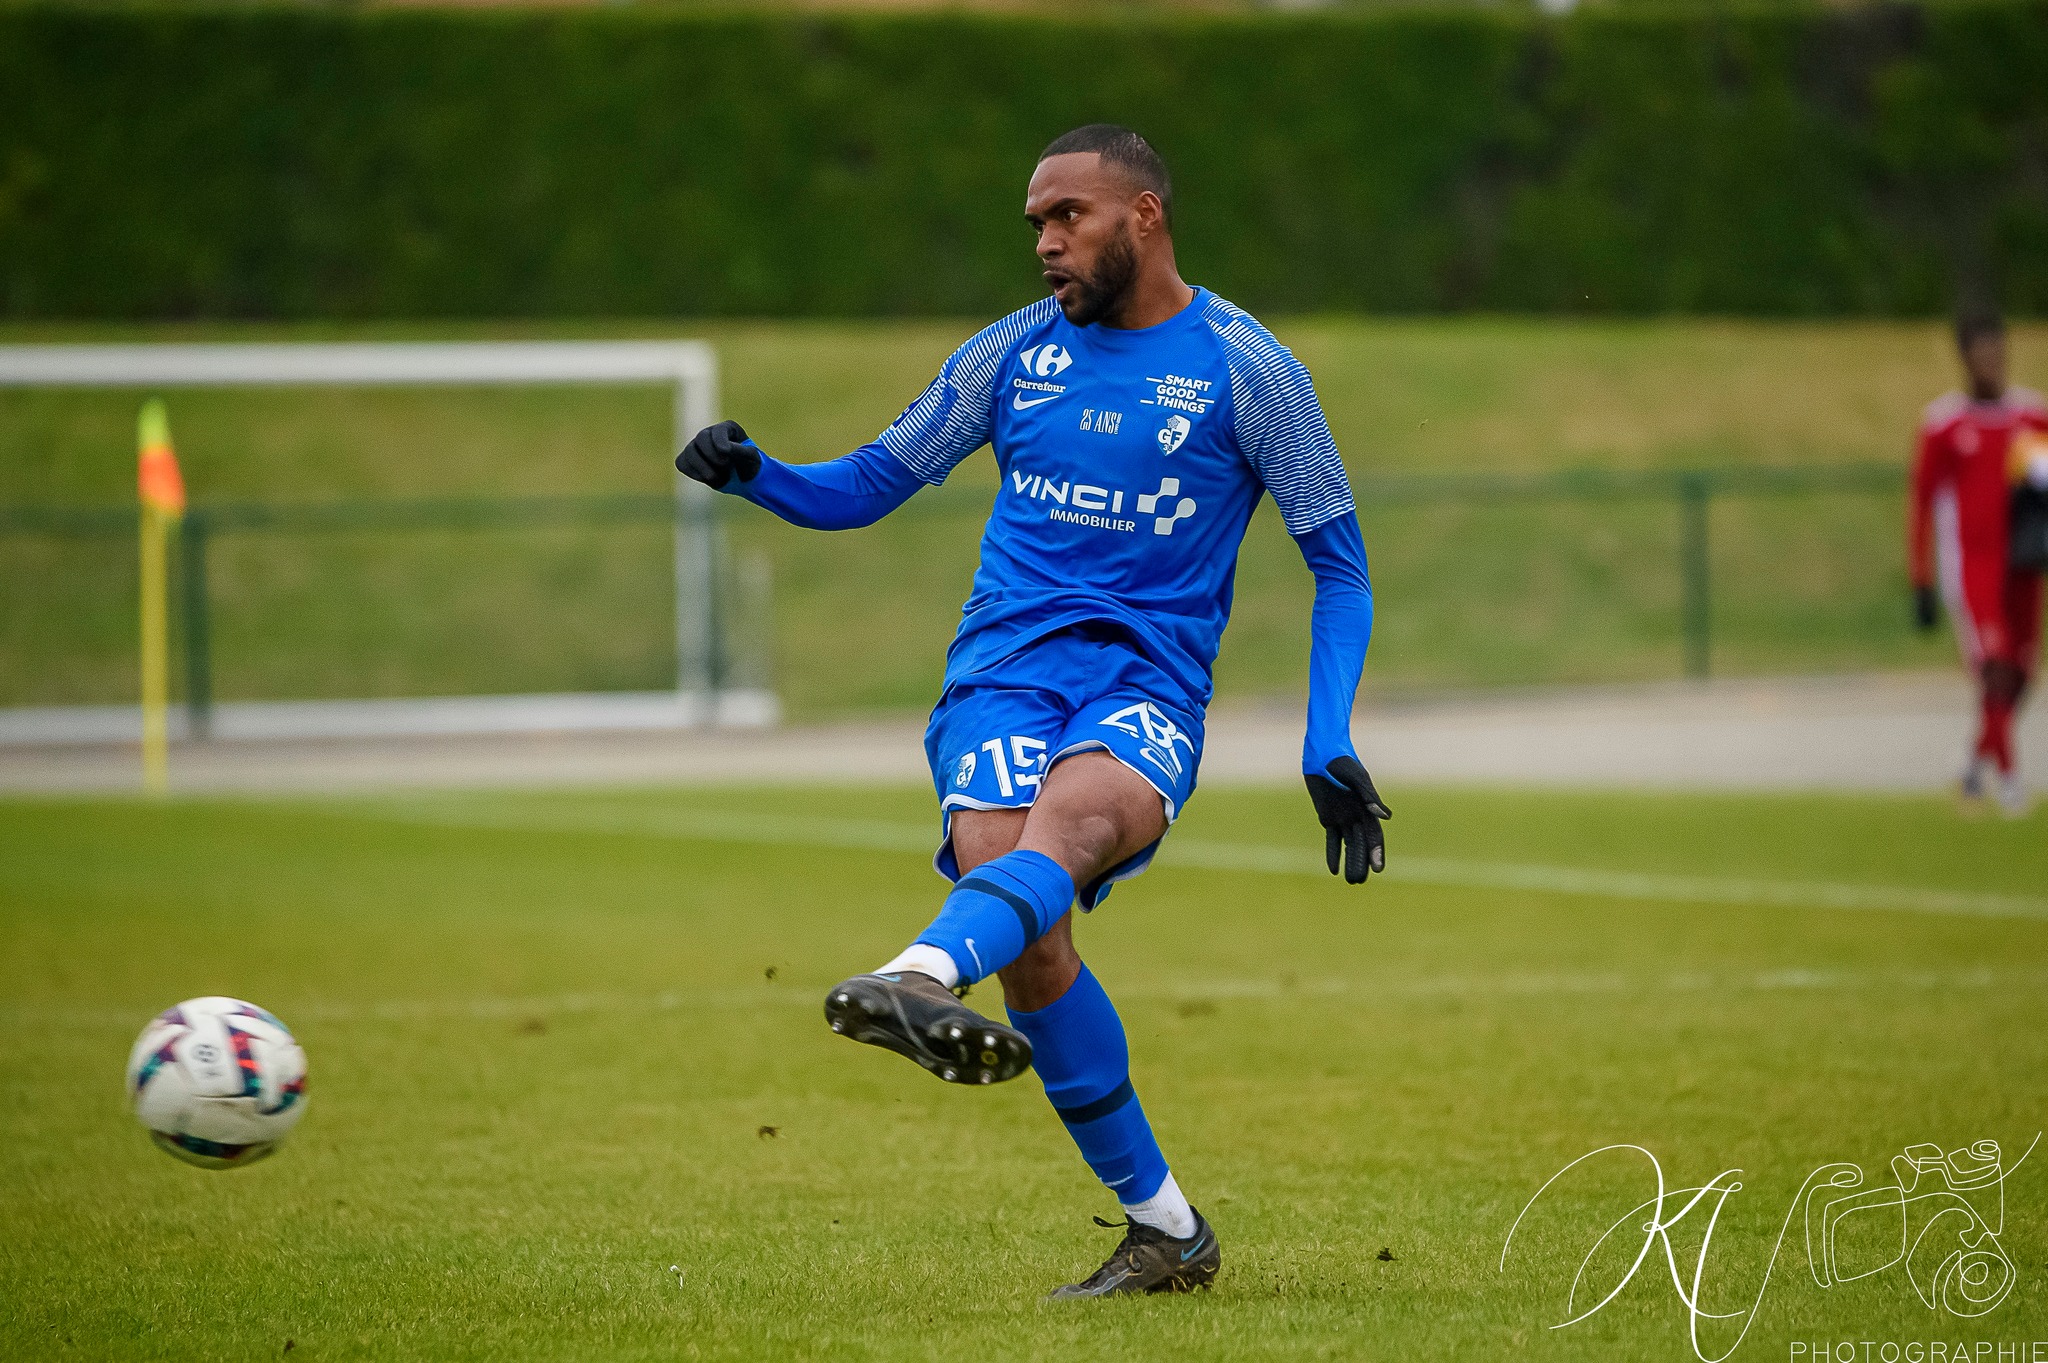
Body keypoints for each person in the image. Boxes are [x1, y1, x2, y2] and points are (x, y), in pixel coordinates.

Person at [676, 124, 1388, 1297]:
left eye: (1069, 218)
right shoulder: (1012, 353)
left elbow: (1340, 567)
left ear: (1144, 218)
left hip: (1143, 681)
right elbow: (866, 487)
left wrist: (1326, 738)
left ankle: (915, 974)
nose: (1046, 244)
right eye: (1037, 224)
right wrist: (759, 474)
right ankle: (1166, 1231)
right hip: (1000, 671)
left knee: (1071, 829)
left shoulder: (1249, 370)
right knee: (1027, 924)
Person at [1908, 310, 2047, 816]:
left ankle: (1973, 765)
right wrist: (1920, 578)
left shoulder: (2031, 416)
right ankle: (2010, 782)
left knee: (2023, 675)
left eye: (1997, 351)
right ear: (1964, 357)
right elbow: (1921, 502)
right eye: (1981, 353)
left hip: (2023, 566)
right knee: (1993, 668)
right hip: (1973, 564)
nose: (1991, 362)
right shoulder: (1945, 424)